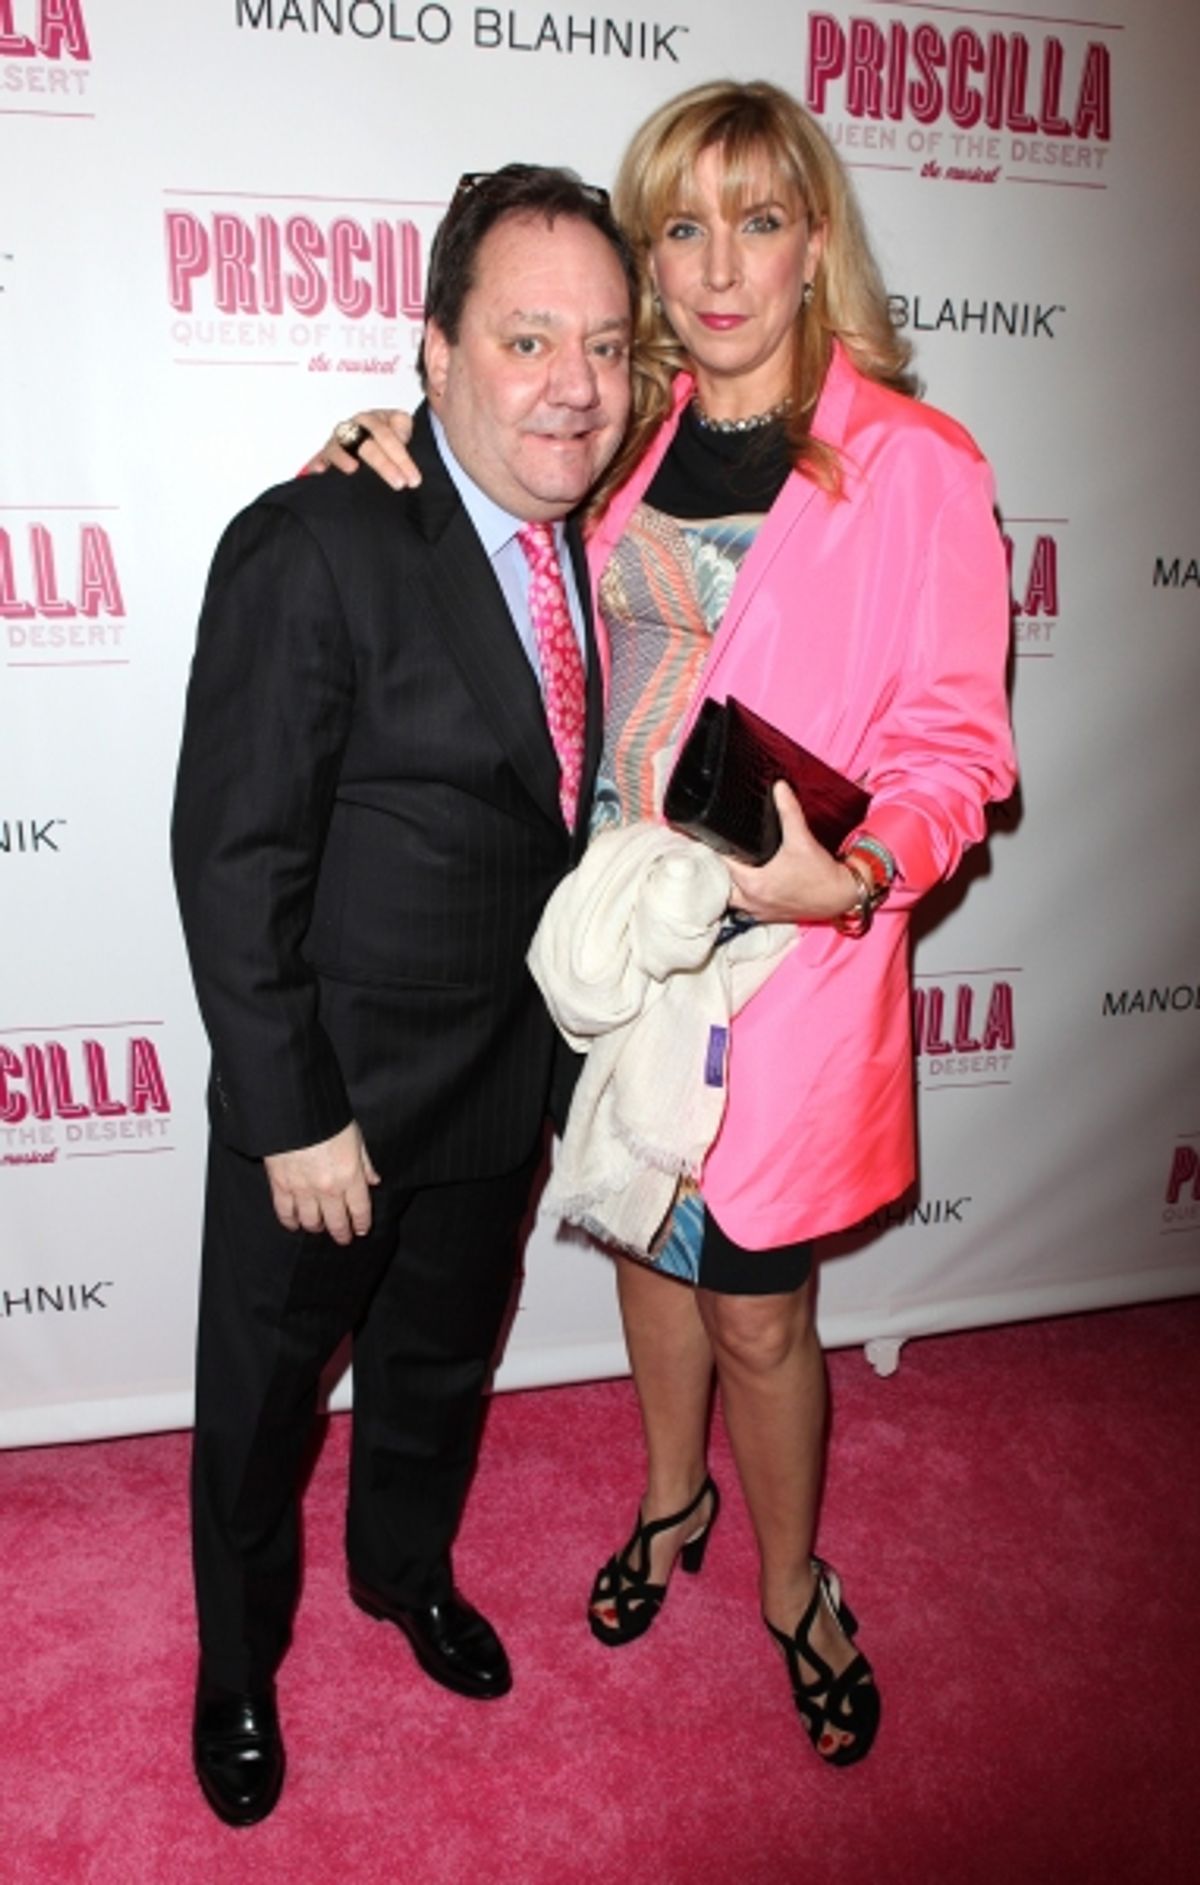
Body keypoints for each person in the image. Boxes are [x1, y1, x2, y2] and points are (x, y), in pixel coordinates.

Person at [313, 80, 1016, 1770]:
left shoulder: (913, 464)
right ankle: (666, 1499)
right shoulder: (614, 429)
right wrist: (372, 459)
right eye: (680, 228)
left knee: (760, 1305)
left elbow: (957, 749)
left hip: (779, 960)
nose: (716, 267)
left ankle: (788, 1582)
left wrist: (849, 877)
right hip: (612, 943)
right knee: (641, 1242)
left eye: (756, 222)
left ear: (812, 242)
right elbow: (482, 505)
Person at [171, 165, 634, 1826]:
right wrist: (292, 1110)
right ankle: (235, 1667)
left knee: (437, 1375)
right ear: (433, 351)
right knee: (257, 1415)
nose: (571, 379)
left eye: (601, 342)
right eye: (525, 337)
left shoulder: (613, 538)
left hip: (499, 1091)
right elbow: (234, 855)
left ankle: (403, 1572)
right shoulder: (315, 540)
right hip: (333, 1111)